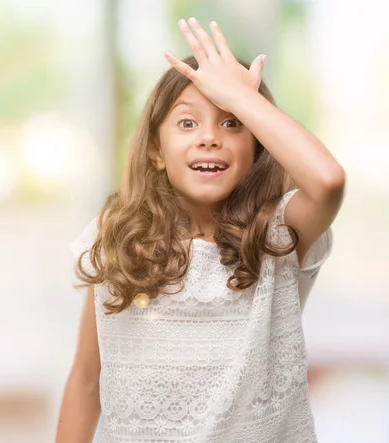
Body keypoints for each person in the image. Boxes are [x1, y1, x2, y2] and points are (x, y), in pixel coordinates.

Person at [55, 17, 345, 443]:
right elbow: (85, 379)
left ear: (259, 146)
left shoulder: (280, 235)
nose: (209, 137)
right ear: (157, 151)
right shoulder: (116, 234)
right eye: (187, 123)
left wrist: (243, 99)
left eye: (231, 123)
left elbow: (328, 180)